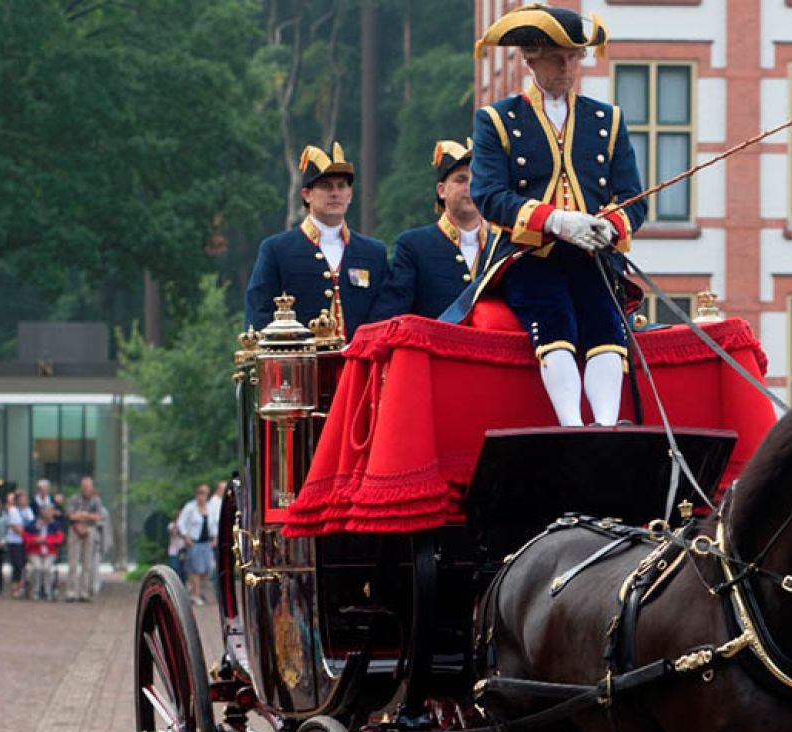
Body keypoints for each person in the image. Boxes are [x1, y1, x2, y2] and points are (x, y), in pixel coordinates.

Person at [463, 4, 646, 426]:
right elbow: (489, 196)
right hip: (530, 257)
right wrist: (557, 221)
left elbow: (634, 199)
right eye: (557, 58)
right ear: (531, 60)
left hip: (593, 256)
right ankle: (571, 424)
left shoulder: (608, 120)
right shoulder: (497, 120)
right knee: (554, 318)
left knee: (605, 321)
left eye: (573, 57)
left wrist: (610, 226)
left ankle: (604, 424)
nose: (567, 68)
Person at [245, 143, 388, 342]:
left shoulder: (374, 253)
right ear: (307, 194)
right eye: (325, 186)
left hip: (358, 368)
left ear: (350, 195)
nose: (335, 193)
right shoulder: (277, 250)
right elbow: (259, 316)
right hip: (300, 368)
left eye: (341, 186)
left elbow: (384, 316)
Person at [370, 139, 501, 320]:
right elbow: (392, 316)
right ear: (441, 190)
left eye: (477, 179)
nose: (470, 187)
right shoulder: (414, 246)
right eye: (461, 180)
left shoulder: (502, 246)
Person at [64, 476, 107, 602]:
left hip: (90, 531)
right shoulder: (74, 499)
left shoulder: (96, 501)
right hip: (75, 531)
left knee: (87, 563)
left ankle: (84, 592)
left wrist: (82, 515)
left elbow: (98, 517)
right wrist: (85, 517)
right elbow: (70, 515)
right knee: (73, 563)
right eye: (84, 487)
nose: (86, 489)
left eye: (88, 487)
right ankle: (71, 592)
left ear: (92, 488)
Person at [177, 482, 219, 606]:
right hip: (195, 542)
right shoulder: (190, 507)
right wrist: (185, 536)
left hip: (207, 543)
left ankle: (197, 590)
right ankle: (195, 594)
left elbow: (213, 523)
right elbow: (181, 522)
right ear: (197, 494)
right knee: (195, 569)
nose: (203, 496)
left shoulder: (210, 508)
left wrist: (215, 537)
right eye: (201, 493)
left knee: (206, 569)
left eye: (205, 493)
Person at [22, 505, 64, 600]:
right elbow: (25, 537)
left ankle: (47, 591)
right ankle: (35, 591)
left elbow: (59, 539)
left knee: (46, 568)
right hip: (34, 551)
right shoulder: (32, 524)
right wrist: (35, 540)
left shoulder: (56, 525)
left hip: (50, 551)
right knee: (37, 567)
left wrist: (46, 540)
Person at [5, 491, 33, 598]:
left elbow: (32, 525)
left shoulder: (29, 510)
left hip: (25, 542)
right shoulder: (13, 510)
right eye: (22, 498)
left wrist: (28, 535)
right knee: (17, 564)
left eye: (25, 498)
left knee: (23, 564)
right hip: (14, 542)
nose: (24, 500)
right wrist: (27, 534)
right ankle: (15, 587)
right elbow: (16, 528)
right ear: (17, 500)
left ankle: (23, 587)